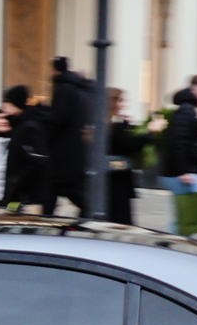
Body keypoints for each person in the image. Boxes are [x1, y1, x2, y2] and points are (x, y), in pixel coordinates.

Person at [47, 58, 97, 217]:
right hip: (77, 150)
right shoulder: (83, 89)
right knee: (56, 189)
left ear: (54, 70)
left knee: (65, 188)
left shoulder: (64, 89)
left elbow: (57, 119)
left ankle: (92, 214)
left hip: (63, 151)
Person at [159, 76, 197, 237]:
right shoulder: (187, 111)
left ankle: (175, 244)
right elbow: (178, 142)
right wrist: (184, 171)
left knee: (185, 215)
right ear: (194, 90)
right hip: (184, 173)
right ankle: (173, 246)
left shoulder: (187, 110)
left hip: (184, 171)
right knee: (187, 215)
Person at [0, 84, 53, 213]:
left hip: (29, 199)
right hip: (18, 198)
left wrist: (16, 184)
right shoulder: (18, 126)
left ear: (16, 104)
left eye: (7, 102)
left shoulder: (29, 127)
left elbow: (37, 162)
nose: (3, 106)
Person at [105, 89, 140, 224]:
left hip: (113, 180)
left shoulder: (109, 124)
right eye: (120, 100)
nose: (123, 105)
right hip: (116, 181)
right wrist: (150, 133)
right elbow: (128, 144)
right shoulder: (113, 126)